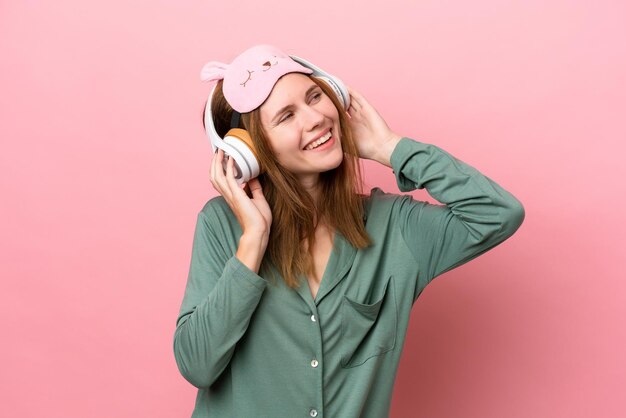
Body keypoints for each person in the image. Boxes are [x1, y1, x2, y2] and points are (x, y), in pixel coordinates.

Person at [173, 44, 525, 418]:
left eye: (314, 97)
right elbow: (197, 365)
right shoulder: (221, 225)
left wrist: (390, 147)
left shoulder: (394, 227)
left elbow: (498, 213)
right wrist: (253, 242)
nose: (315, 118)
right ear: (251, 153)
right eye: (287, 116)